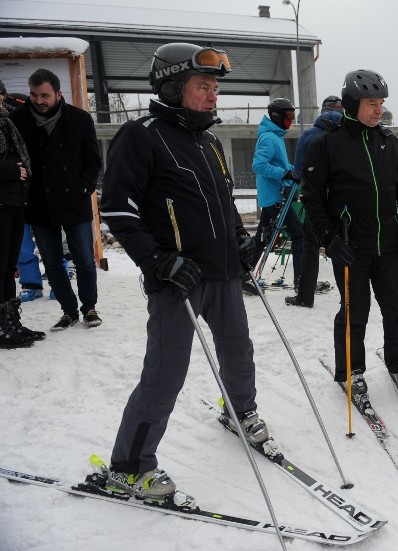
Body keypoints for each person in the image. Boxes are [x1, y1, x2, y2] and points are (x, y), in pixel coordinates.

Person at [100, 42, 272, 503]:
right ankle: (129, 465)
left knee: (238, 348)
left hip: (222, 273)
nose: (213, 95)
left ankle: (240, 410)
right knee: (166, 370)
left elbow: (223, 204)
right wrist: (159, 260)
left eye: (215, 87)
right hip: (177, 277)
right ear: (174, 87)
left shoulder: (209, 140)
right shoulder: (141, 136)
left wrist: (239, 239)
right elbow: (118, 210)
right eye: (203, 86)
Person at [301, 69, 398, 393]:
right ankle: (351, 370)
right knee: (355, 311)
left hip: (389, 246)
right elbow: (311, 198)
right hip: (351, 246)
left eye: (380, 102)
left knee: (397, 307)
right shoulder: (328, 145)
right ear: (353, 104)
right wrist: (328, 238)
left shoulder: (389, 142)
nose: (378, 109)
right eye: (371, 102)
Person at [9, 68, 103, 331]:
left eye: (45, 95)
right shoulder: (18, 119)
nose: (38, 100)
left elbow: (94, 160)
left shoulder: (80, 119)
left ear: (58, 94)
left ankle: (89, 308)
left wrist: (84, 187)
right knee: (51, 262)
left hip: (74, 200)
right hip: (39, 203)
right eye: (34, 94)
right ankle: (68, 310)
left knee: (84, 258)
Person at [284, 95, 343, 308]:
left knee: (310, 247)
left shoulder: (309, 135)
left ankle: (305, 296)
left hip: (315, 202)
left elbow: (298, 172)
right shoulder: (345, 135)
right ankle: (348, 298)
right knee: (340, 244)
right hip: (341, 202)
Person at [0, 80, 44, 348]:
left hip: (13, 201)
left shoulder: (5, 121)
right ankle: (3, 327)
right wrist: (14, 171)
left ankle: (10, 321)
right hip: (2, 201)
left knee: (7, 266)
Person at [251, 98, 303, 291]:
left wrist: (295, 171)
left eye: (293, 116)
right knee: (299, 235)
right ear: (276, 116)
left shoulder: (276, 136)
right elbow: (259, 166)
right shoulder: (268, 138)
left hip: (275, 196)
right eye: (288, 116)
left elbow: (280, 165)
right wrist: (285, 173)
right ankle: (301, 280)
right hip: (274, 197)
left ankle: (243, 275)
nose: (291, 120)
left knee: (262, 238)